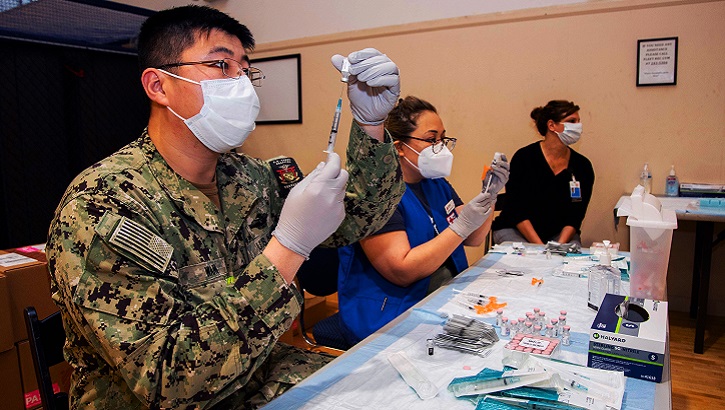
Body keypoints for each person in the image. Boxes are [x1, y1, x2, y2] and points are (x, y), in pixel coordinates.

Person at [45, 5, 405, 409]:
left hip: (259, 379)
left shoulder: (249, 177)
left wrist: (371, 125)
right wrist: (287, 249)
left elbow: (359, 218)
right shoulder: (104, 204)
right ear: (158, 86)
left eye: (245, 69)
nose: (241, 83)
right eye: (220, 64)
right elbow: (169, 381)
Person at [336, 96, 509, 346]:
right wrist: (460, 227)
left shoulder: (435, 183)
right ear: (398, 147)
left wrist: (490, 196)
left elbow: (473, 237)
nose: (440, 147)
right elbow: (401, 271)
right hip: (391, 314)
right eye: (431, 139)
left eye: (442, 139)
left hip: (444, 295)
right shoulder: (375, 195)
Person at [492, 100, 595, 247]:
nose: (578, 126)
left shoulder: (582, 166)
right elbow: (517, 211)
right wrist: (540, 248)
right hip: (516, 229)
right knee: (526, 262)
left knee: (568, 259)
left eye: (579, 121)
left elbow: (575, 216)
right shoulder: (524, 158)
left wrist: (558, 247)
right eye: (571, 121)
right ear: (551, 125)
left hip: (558, 234)